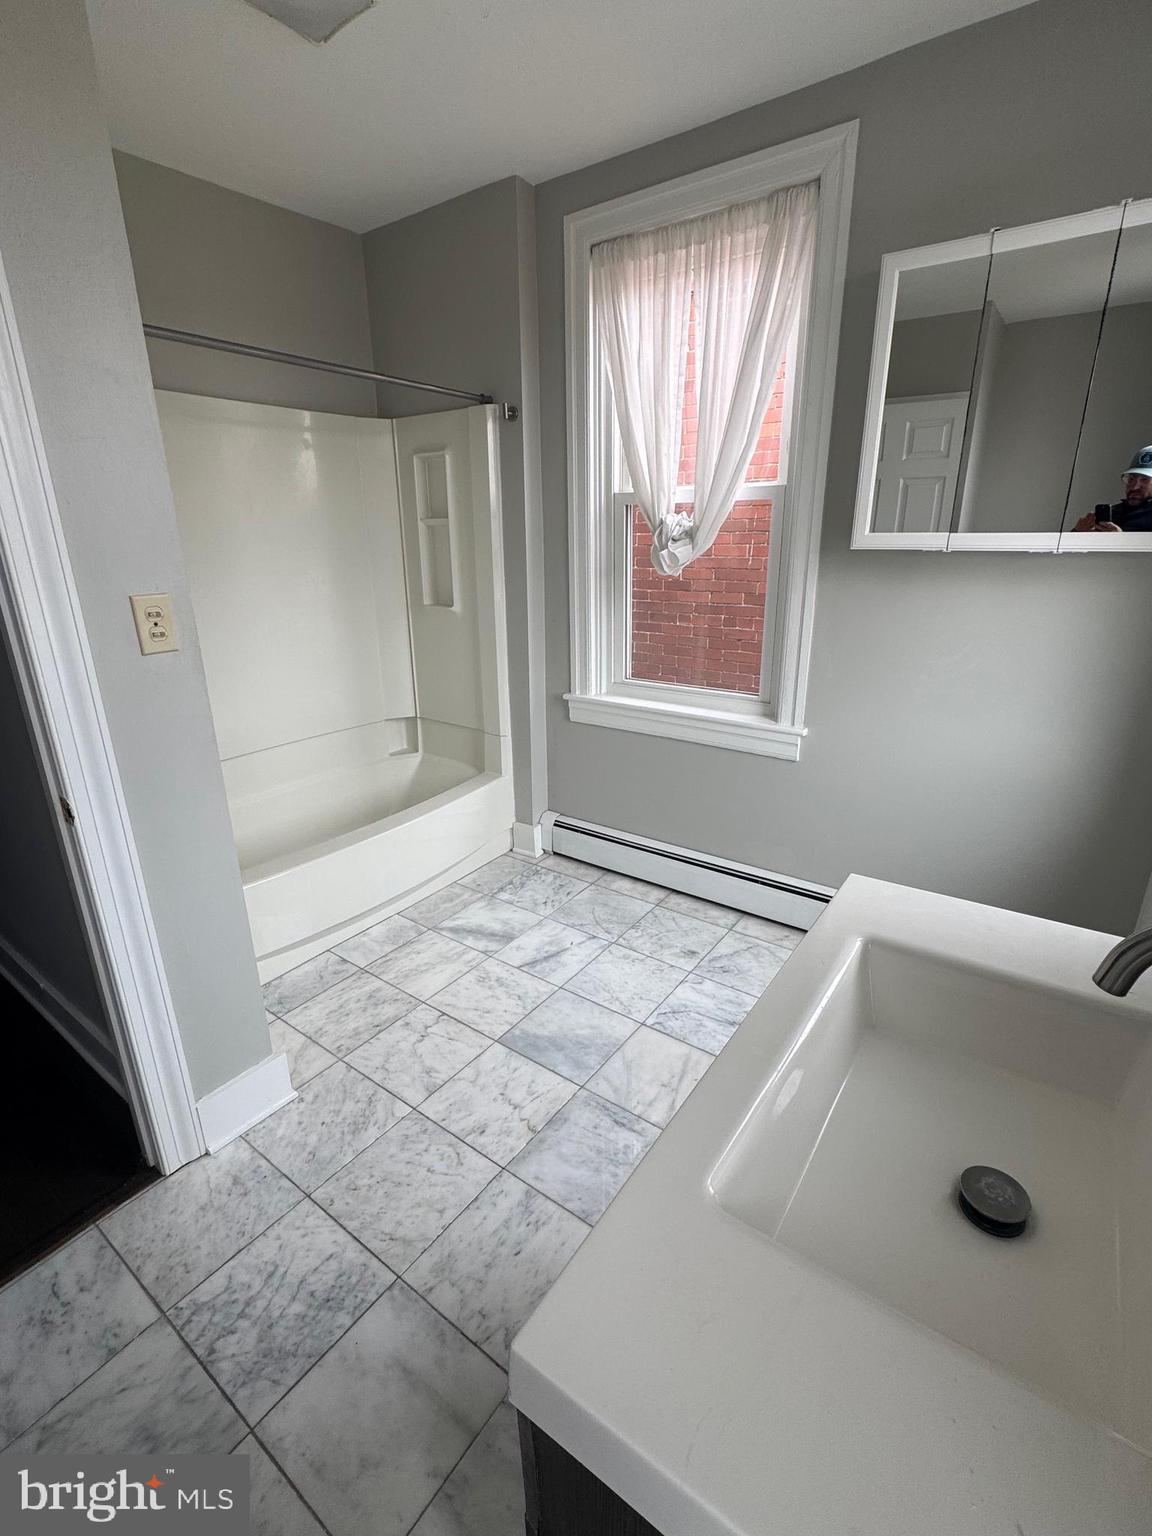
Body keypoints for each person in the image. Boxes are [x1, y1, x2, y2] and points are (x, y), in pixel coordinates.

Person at [1073, 446, 1152, 532]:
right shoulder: (1113, 513)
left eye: (1144, 480)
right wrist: (1077, 533)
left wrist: (1120, 538)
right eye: (1131, 479)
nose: (1134, 487)